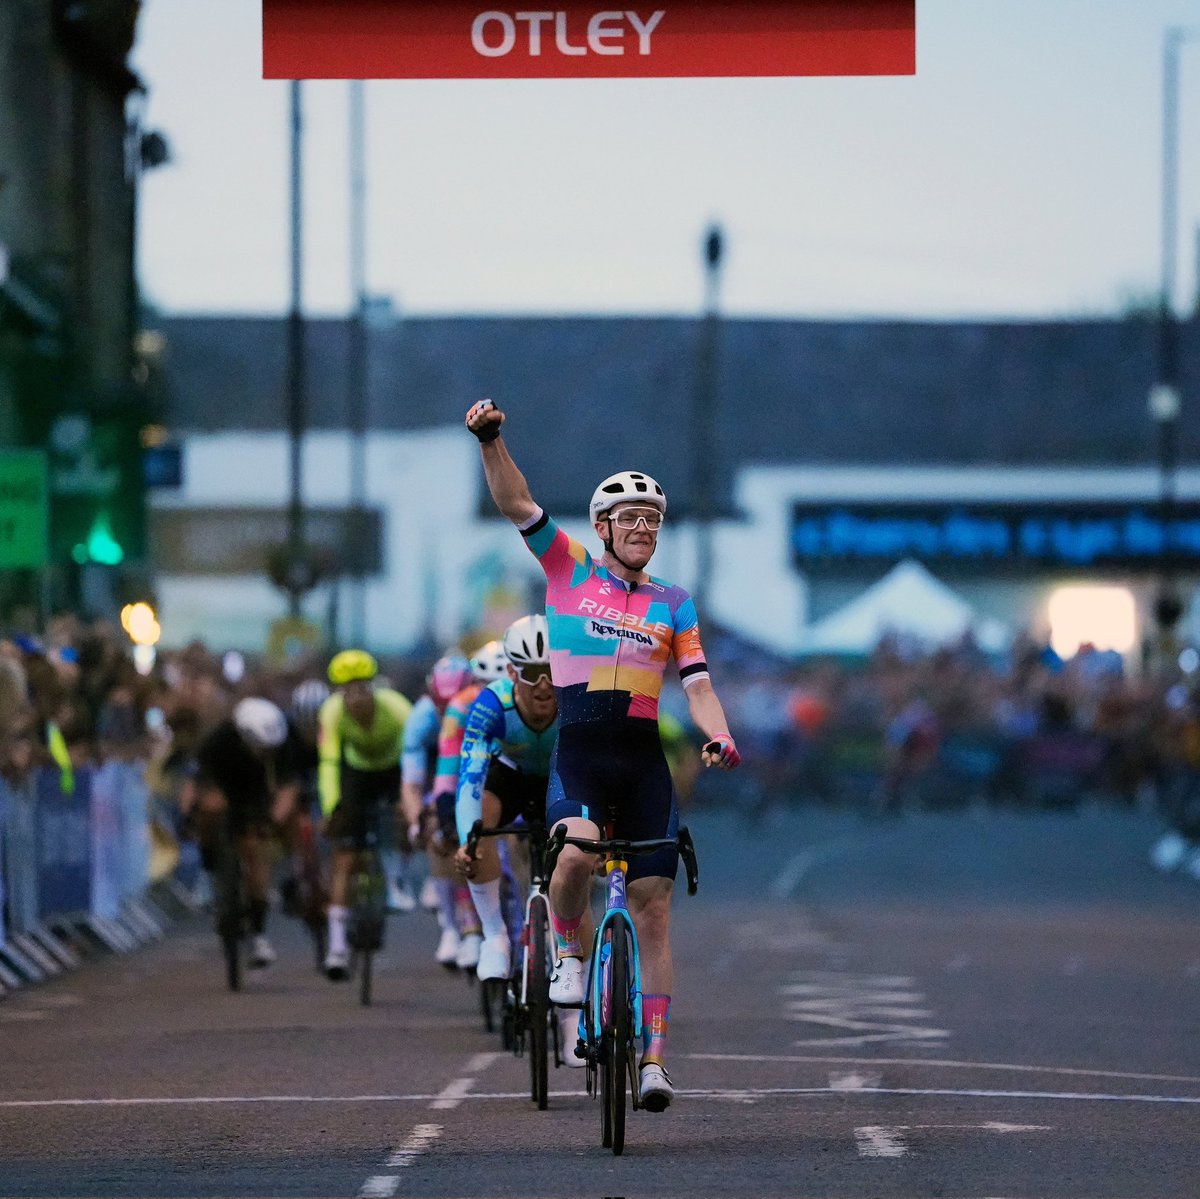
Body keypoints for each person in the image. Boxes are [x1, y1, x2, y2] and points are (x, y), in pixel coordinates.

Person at [464, 397, 741, 1112]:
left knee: (653, 912)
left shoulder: (674, 601)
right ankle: (569, 947)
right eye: (631, 519)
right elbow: (516, 500)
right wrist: (492, 439)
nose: (644, 529)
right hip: (582, 752)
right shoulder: (569, 569)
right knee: (576, 857)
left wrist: (719, 733)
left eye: (653, 520)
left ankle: (653, 1059)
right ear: (602, 527)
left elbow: (700, 685)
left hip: (643, 760)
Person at [454, 615, 559, 984]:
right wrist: (469, 837)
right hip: (509, 776)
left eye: (552, 670)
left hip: (560, 776)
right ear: (512, 674)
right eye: (532, 673)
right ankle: (495, 935)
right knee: (478, 834)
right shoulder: (491, 705)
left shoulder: (576, 697)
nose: (544, 685)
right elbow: (470, 778)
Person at [318, 649, 412, 980]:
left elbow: (414, 756)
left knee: (405, 815)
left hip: (395, 768)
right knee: (346, 858)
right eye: (347, 691)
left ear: (373, 687)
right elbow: (329, 762)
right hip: (357, 773)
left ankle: (397, 880)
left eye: (361, 688)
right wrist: (332, 807)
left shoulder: (398, 708)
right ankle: (338, 947)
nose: (355, 698)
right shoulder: (331, 713)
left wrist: (411, 799)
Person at [194, 696, 303, 967]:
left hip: (257, 796)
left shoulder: (283, 742)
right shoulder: (218, 741)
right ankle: (210, 868)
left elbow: (288, 788)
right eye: (259, 748)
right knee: (209, 813)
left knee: (256, 854)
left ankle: (257, 933)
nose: (264, 754)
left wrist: (274, 818)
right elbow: (201, 784)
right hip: (224, 789)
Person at [427, 641, 507, 970]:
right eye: (485, 687)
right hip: (473, 771)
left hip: (515, 771)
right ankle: (468, 929)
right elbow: (449, 771)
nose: (494, 695)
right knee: (457, 836)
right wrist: (447, 816)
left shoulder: (541, 701)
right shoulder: (460, 706)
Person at [400, 651, 474, 967]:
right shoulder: (420, 719)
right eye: (441, 708)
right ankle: (450, 927)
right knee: (433, 824)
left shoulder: (478, 709)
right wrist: (418, 819)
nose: (449, 714)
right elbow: (412, 785)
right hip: (435, 769)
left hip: (469, 762)